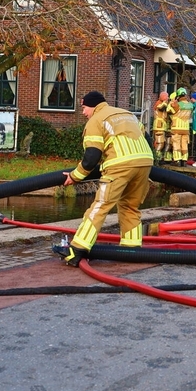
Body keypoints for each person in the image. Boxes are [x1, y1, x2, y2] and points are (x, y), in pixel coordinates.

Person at [54, 91, 154, 266]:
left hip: (119, 165)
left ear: (93, 106)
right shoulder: (127, 114)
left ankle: (77, 249)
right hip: (145, 162)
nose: (84, 113)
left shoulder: (96, 120)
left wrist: (74, 176)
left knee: (100, 205)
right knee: (130, 206)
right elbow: (147, 139)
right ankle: (131, 249)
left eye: (84, 108)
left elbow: (91, 156)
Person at [170, 87, 192, 166]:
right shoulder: (190, 105)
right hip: (186, 129)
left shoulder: (177, 105)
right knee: (184, 144)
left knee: (176, 144)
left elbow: (170, 110)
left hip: (176, 128)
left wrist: (173, 101)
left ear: (178, 96)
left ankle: (177, 160)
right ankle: (184, 160)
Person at [152, 92, 175, 164]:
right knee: (160, 143)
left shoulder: (164, 104)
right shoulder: (159, 103)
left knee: (166, 143)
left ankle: (164, 158)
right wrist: (169, 102)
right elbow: (162, 107)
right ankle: (157, 158)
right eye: (166, 97)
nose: (168, 98)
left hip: (164, 126)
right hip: (159, 126)